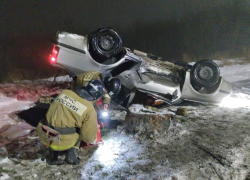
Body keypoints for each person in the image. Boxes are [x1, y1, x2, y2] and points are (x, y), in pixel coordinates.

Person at [37, 79, 106, 165]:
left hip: (43, 133)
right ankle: (71, 156)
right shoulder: (90, 109)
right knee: (81, 131)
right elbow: (89, 138)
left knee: (57, 121)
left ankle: (53, 157)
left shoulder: (65, 92)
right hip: (60, 142)